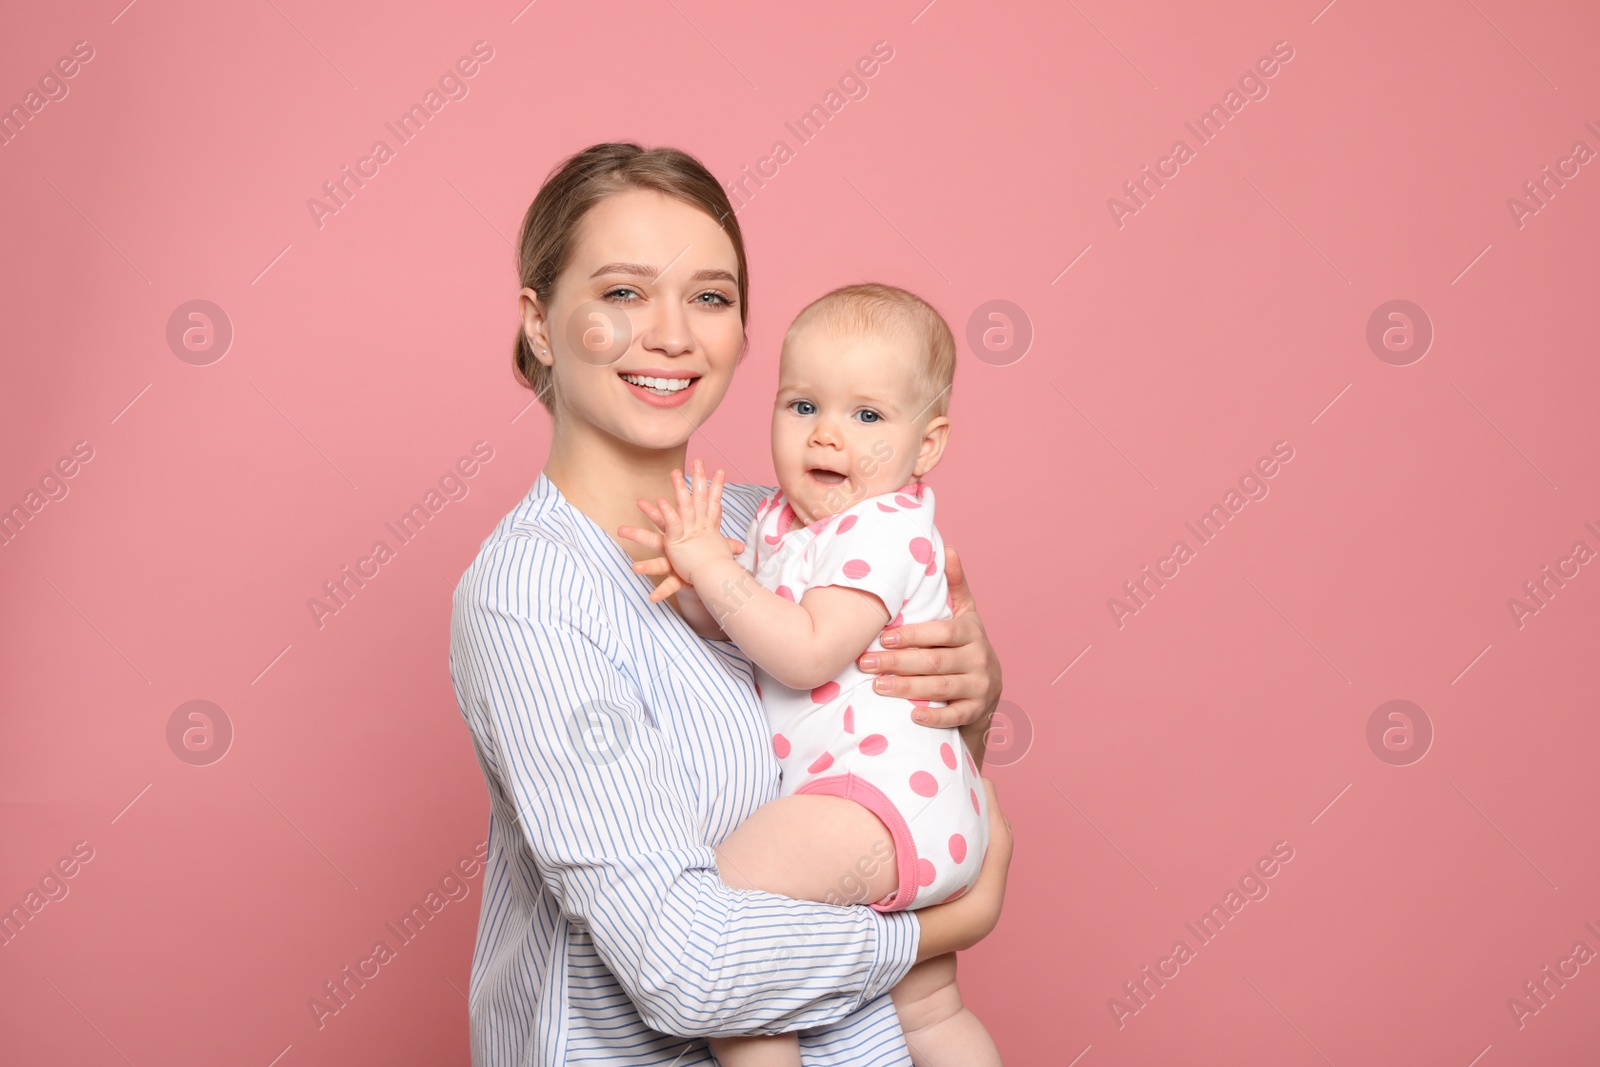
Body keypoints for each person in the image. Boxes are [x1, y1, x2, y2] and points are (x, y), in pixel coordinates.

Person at [449, 142, 1013, 1067]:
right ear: (542, 324)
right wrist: (936, 930)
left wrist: (971, 695)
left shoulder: (786, 526)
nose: (674, 335)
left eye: (709, 297)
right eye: (624, 293)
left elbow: (905, 768)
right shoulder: (532, 595)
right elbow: (685, 964)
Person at [618, 283, 999, 1066]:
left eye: (867, 416)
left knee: (725, 929)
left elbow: (803, 650)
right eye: (802, 407)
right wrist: (697, 591)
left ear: (926, 447)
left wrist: (713, 569)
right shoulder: (781, 522)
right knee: (929, 1011)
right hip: (908, 810)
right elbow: (739, 623)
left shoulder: (885, 529)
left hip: (873, 802)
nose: (827, 435)